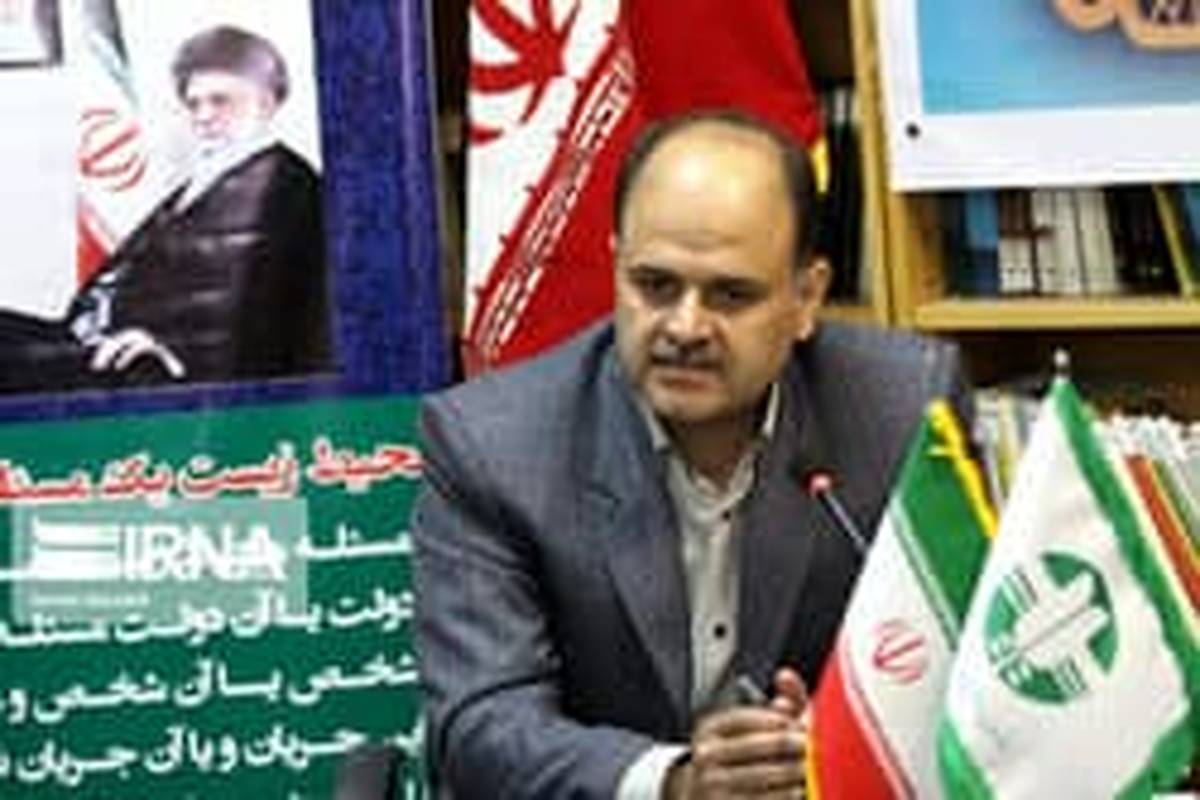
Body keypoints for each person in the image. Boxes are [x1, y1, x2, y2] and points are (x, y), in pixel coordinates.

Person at [411, 109, 968, 798]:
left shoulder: (904, 411)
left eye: (731, 295)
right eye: (655, 285)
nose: (685, 326)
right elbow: (480, 727)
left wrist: (835, 735)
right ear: (616, 265)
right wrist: (676, 782)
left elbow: (964, 675)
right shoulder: (493, 445)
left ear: (806, 298)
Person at [0, 24, 330, 393]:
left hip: (157, 374)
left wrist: (166, 349)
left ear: (267, 102)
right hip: (96, 345)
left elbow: (257, 320)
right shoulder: (209, 175)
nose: (203, 115)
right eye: (194, 104)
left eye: (220, 101)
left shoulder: (286, 184)